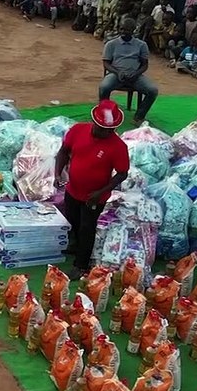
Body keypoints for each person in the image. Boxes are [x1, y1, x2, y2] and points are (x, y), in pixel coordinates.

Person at [54, 100, 130, 274]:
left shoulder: (119, 147)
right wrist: (58, 174)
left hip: (94, 197)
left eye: (110, 130)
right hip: (73, 189)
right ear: (94, 123)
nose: (106, 132)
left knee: (87, 228)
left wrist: (102, 192)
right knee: (72, 219)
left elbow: (122, 173)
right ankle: (75, 245)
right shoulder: (77, 130)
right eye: (103, 128)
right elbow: (63, 152)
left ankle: (81, 265)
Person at [100, 17, 159, 124]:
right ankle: (104, 115)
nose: (123, 32)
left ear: (133, 30)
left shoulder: (141, 45)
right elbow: (106, 63)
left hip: (135, 76)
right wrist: (117, 72)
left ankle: (139, 116)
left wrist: (136, 74)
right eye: (121, 29)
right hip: (115, 74)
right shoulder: (111, 44)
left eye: (127, 30)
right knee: (104, 88)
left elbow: (145, 65)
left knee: (152, 90)